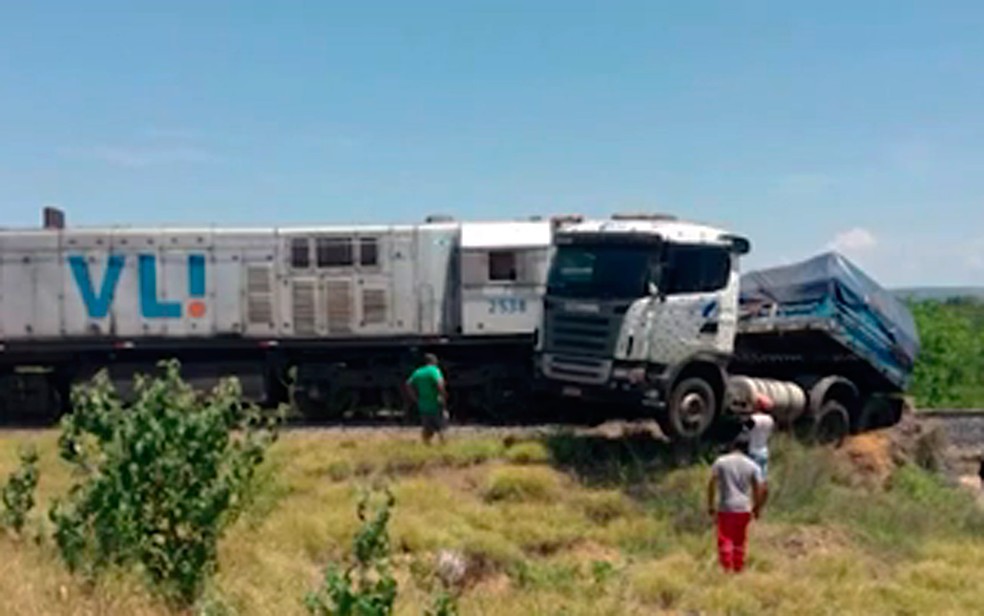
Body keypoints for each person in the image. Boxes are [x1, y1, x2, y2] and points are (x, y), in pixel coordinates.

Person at [707, 432, 767, 573]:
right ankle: (738, 568)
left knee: (725, 539)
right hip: (744, 508)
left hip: (726, 507)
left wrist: (710, 505)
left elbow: (712, 483)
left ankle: (726, 569)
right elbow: (759, 487)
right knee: (740, 540)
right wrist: (757, 507)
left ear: (732, 446)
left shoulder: (721, 462)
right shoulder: (752, 465)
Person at [403, 353, 448, 444]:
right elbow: (439, 383)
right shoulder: (434, 370)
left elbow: (408, 384)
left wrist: (415, 397)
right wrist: (442, 395)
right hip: (435, 403)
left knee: (426, 428)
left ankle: (426, 446)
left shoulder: (418, 372)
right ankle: (444, 446)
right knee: (441, 426)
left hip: (423, 404)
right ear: (434, 361)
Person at [743, 393, 775, 482]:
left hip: (753, 451)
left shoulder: (753, 419)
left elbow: (744, 431)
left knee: (751, 479)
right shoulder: (770, 419)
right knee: (762, 479)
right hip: (764, 451)